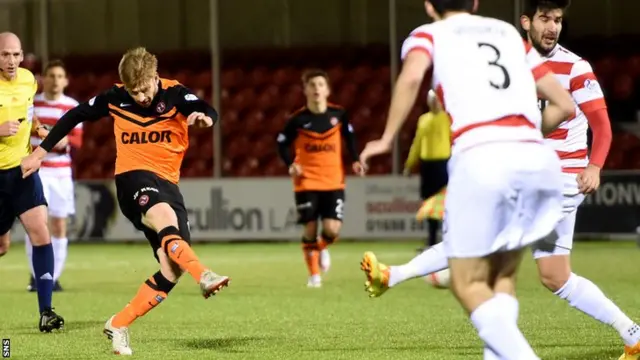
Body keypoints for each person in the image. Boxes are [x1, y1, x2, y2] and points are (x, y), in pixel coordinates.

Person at [361, 1, 640, 359]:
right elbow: (565, 106)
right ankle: (631, 332)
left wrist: (386, 139)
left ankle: (396, 274)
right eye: (545, 19)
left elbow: (413, 76)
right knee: (548, 277)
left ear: (429, 6)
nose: (553, 26)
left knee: (471, 272)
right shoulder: (506, 36)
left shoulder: (431, 35)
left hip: (533, 169)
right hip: (536, 166)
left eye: (558, 20)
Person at [21, 47, 230, 355]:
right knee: (163, 220)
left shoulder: (174, 94)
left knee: (172, 269)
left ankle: (118, 324)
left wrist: (204, 120)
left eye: (144, 90)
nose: (140, 97)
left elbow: (207, 109)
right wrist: (39, 153)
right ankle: (205, 274)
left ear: (155, 78)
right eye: (134, 91)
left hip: (168, 183)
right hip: (133, 179)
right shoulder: (115, 98)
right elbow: (74, 115)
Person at [0, 32, 65, 333]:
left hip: (23, 171)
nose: (11, 61)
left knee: (42, 234)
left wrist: (38, 126)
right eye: (4, 55)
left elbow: (29, 111)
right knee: (2, 245)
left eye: (15, 55)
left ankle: (46, 311)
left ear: (22, 55)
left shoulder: (29, 80)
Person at [276, 69, 363, 288]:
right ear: (305, 90)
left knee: (332, 230)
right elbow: (281, 143)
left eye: (320, 85)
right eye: (312, 85)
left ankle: (321, 248)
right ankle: (314, 276)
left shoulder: (339, 115)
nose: (316, 89)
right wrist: (291, 164)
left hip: (334, 179)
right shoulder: (297, 120)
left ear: (328, 90)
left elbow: (350, 137)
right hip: (306, 181)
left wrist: (355, 159)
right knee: (310, 229)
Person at [26, 60, 81, 292]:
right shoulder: (32, 105)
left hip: (60, 174)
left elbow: (76, 141)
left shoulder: (72, 106)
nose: (56, 80)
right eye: (51, 75)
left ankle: (54, 276)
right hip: (37, 171)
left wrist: (56, 139)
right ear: (44, 79)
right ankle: (36, 276)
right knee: (36, 225)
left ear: (66, 81)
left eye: (60, 76)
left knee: (59, 225)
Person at [402, 90, 450, 251]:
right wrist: (410, 164)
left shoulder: (448, 118)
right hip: (427, 166)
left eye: (437, 99)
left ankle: (448, 239)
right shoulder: (423, 119)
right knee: (429, 205)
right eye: (432, 99)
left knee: (446, 204)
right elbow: (417, 143)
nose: (435, 102)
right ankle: (431, 242)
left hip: (444, 164)